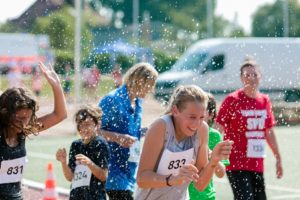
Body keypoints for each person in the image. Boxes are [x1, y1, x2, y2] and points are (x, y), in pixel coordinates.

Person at [135, 85, 233, 200]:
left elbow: (200, 185)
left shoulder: (202, 129)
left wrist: (213, 162)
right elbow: (141, 179)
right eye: (192, 117)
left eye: (201, 117)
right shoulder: (160, 127)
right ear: (175, 111)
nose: (197, 124)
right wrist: (172, 179)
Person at [215, 59, 283, 200]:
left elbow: (268, 131)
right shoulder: (232, 100)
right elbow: (218, 128)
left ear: (261, 76)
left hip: (256, 162)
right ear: (241, 78)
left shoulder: (264, 100)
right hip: (235, 162)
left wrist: (278, 157)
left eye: (255, 74)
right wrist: (211, 152)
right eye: (247, 75)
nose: (251, 78)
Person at [0, 62, 67, 200]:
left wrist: (56, 85)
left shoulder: (24, 131)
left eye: (28, 117)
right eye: (19, 117)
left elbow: (59, 115)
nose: (24, 122)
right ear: (6, 114)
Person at [98, 62, 158, 200]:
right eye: (151, 84)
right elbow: (92, 131)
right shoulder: (112, 99)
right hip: (112, 171)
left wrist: (146, 131)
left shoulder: (138, 102)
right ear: (140, 80)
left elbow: (131, 133)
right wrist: (117, 137)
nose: (152, 89)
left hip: (130, 170)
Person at [56, 105, 110, 200]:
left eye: (87, 124)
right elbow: (70, 177)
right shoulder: (76, 145)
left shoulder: (100, 143)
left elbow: (103, 176)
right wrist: (63, 163)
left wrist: (89, 163)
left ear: (97, 125)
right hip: (76, 197)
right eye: (80, 124)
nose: (83, 128)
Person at [188, 93, 230, 200]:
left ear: (211, 114)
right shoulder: (184, 131)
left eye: (203, 111)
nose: (197, 113)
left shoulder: (214, 135)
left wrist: (212, 156)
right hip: (182, 195)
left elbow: (221, 173)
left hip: (205, 196)